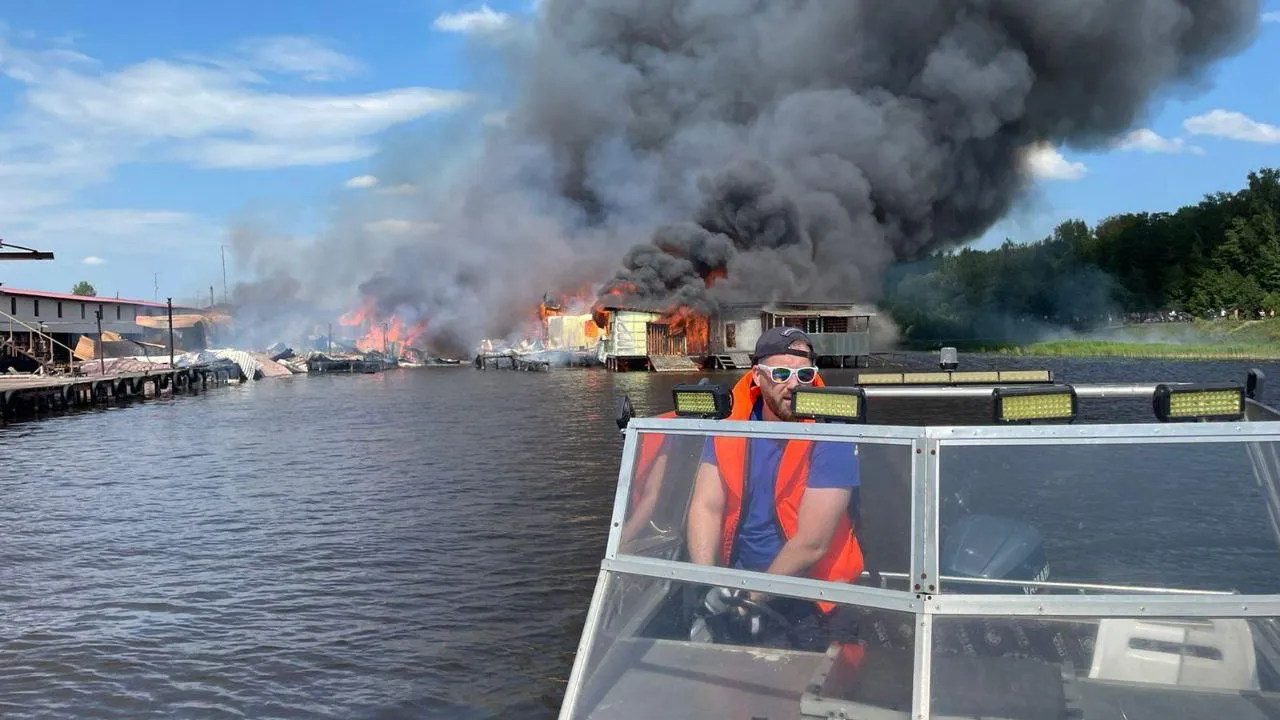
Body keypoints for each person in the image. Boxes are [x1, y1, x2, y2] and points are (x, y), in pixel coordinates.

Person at [685, 326, 864, 649]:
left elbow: (812, 543)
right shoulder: (730, 425)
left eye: (805, 375)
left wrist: (749, 601)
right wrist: (708, 585)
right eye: (781, 374)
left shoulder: (832, 433)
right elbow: (706, 507)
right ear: (756, 375)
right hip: (738, 584)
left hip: (814, 596)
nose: (794, 385)